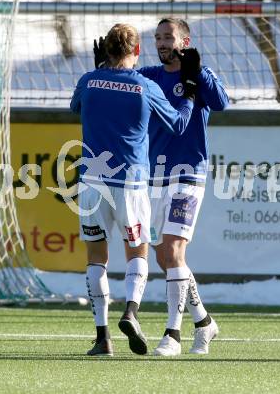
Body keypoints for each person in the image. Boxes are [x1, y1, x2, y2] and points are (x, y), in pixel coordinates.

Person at [70, 23, 197, 356]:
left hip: (92, 181)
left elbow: (75, 108)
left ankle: (102, 337)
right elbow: (179, 125)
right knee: (137, 252)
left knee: (96, 258)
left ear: (106, 50)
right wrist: (191, 96)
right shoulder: (145, 86)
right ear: (136, 51)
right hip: (131, 181)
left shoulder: (88, 81)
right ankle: (131, 311)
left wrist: (99, 72)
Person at [138, 18, 229, 356]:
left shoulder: (197, 74)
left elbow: (221, 102)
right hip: (153, 176)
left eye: (168, 37)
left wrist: (199, 72)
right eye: (158, 38)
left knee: (174, 250)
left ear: (184, 41)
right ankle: (204, 322)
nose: (162, 43)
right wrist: (106, 68)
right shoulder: (149, 76)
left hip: (189, 174)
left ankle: (172, 335)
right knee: (165, 257)